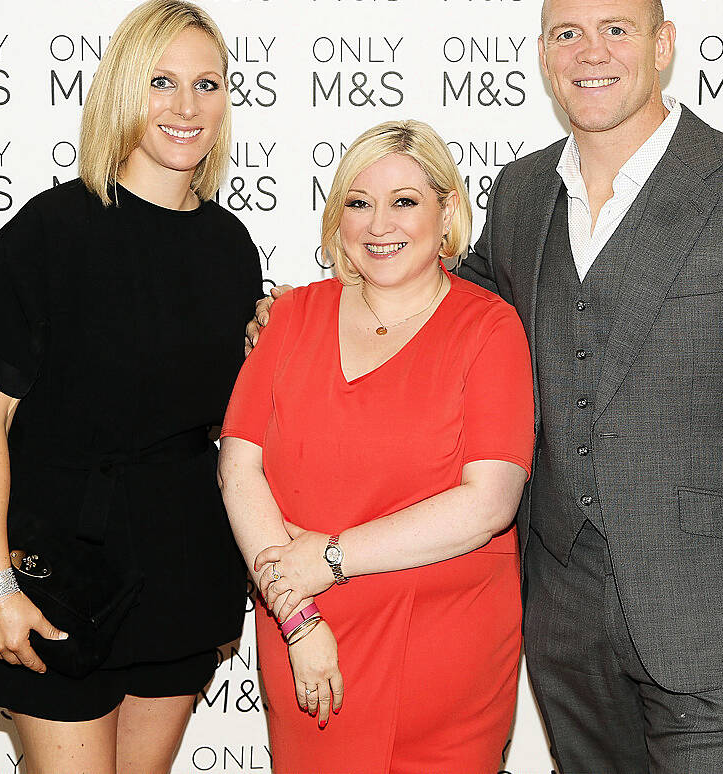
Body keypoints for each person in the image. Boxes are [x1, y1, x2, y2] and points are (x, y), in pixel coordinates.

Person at [249, 0, 723, 774]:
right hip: (560, 622)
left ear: (663, 43)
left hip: (716, 627)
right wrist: (311, 304)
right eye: (567, 34)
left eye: (616, 29)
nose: (591, 52)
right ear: (544, 57)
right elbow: (430, 292)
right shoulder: (524, 192)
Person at [0, 0, 261, 774]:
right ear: (124, 90)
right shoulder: (48, 234)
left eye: (208, 84)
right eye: (162, 82)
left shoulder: (231, 248)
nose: (187, 107)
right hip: (57, 569)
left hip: (183, 568)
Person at [219, 120, 534, 774]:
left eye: (405, 201)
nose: (379, 223)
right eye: (359, 203)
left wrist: (327, 560)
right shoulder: (291, 316)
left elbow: (489, 502)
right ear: (338, 219)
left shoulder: (489, 326)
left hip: (448, 659)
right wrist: (297, 614)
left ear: (447, 211)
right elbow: (239, 468)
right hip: (309, 645)